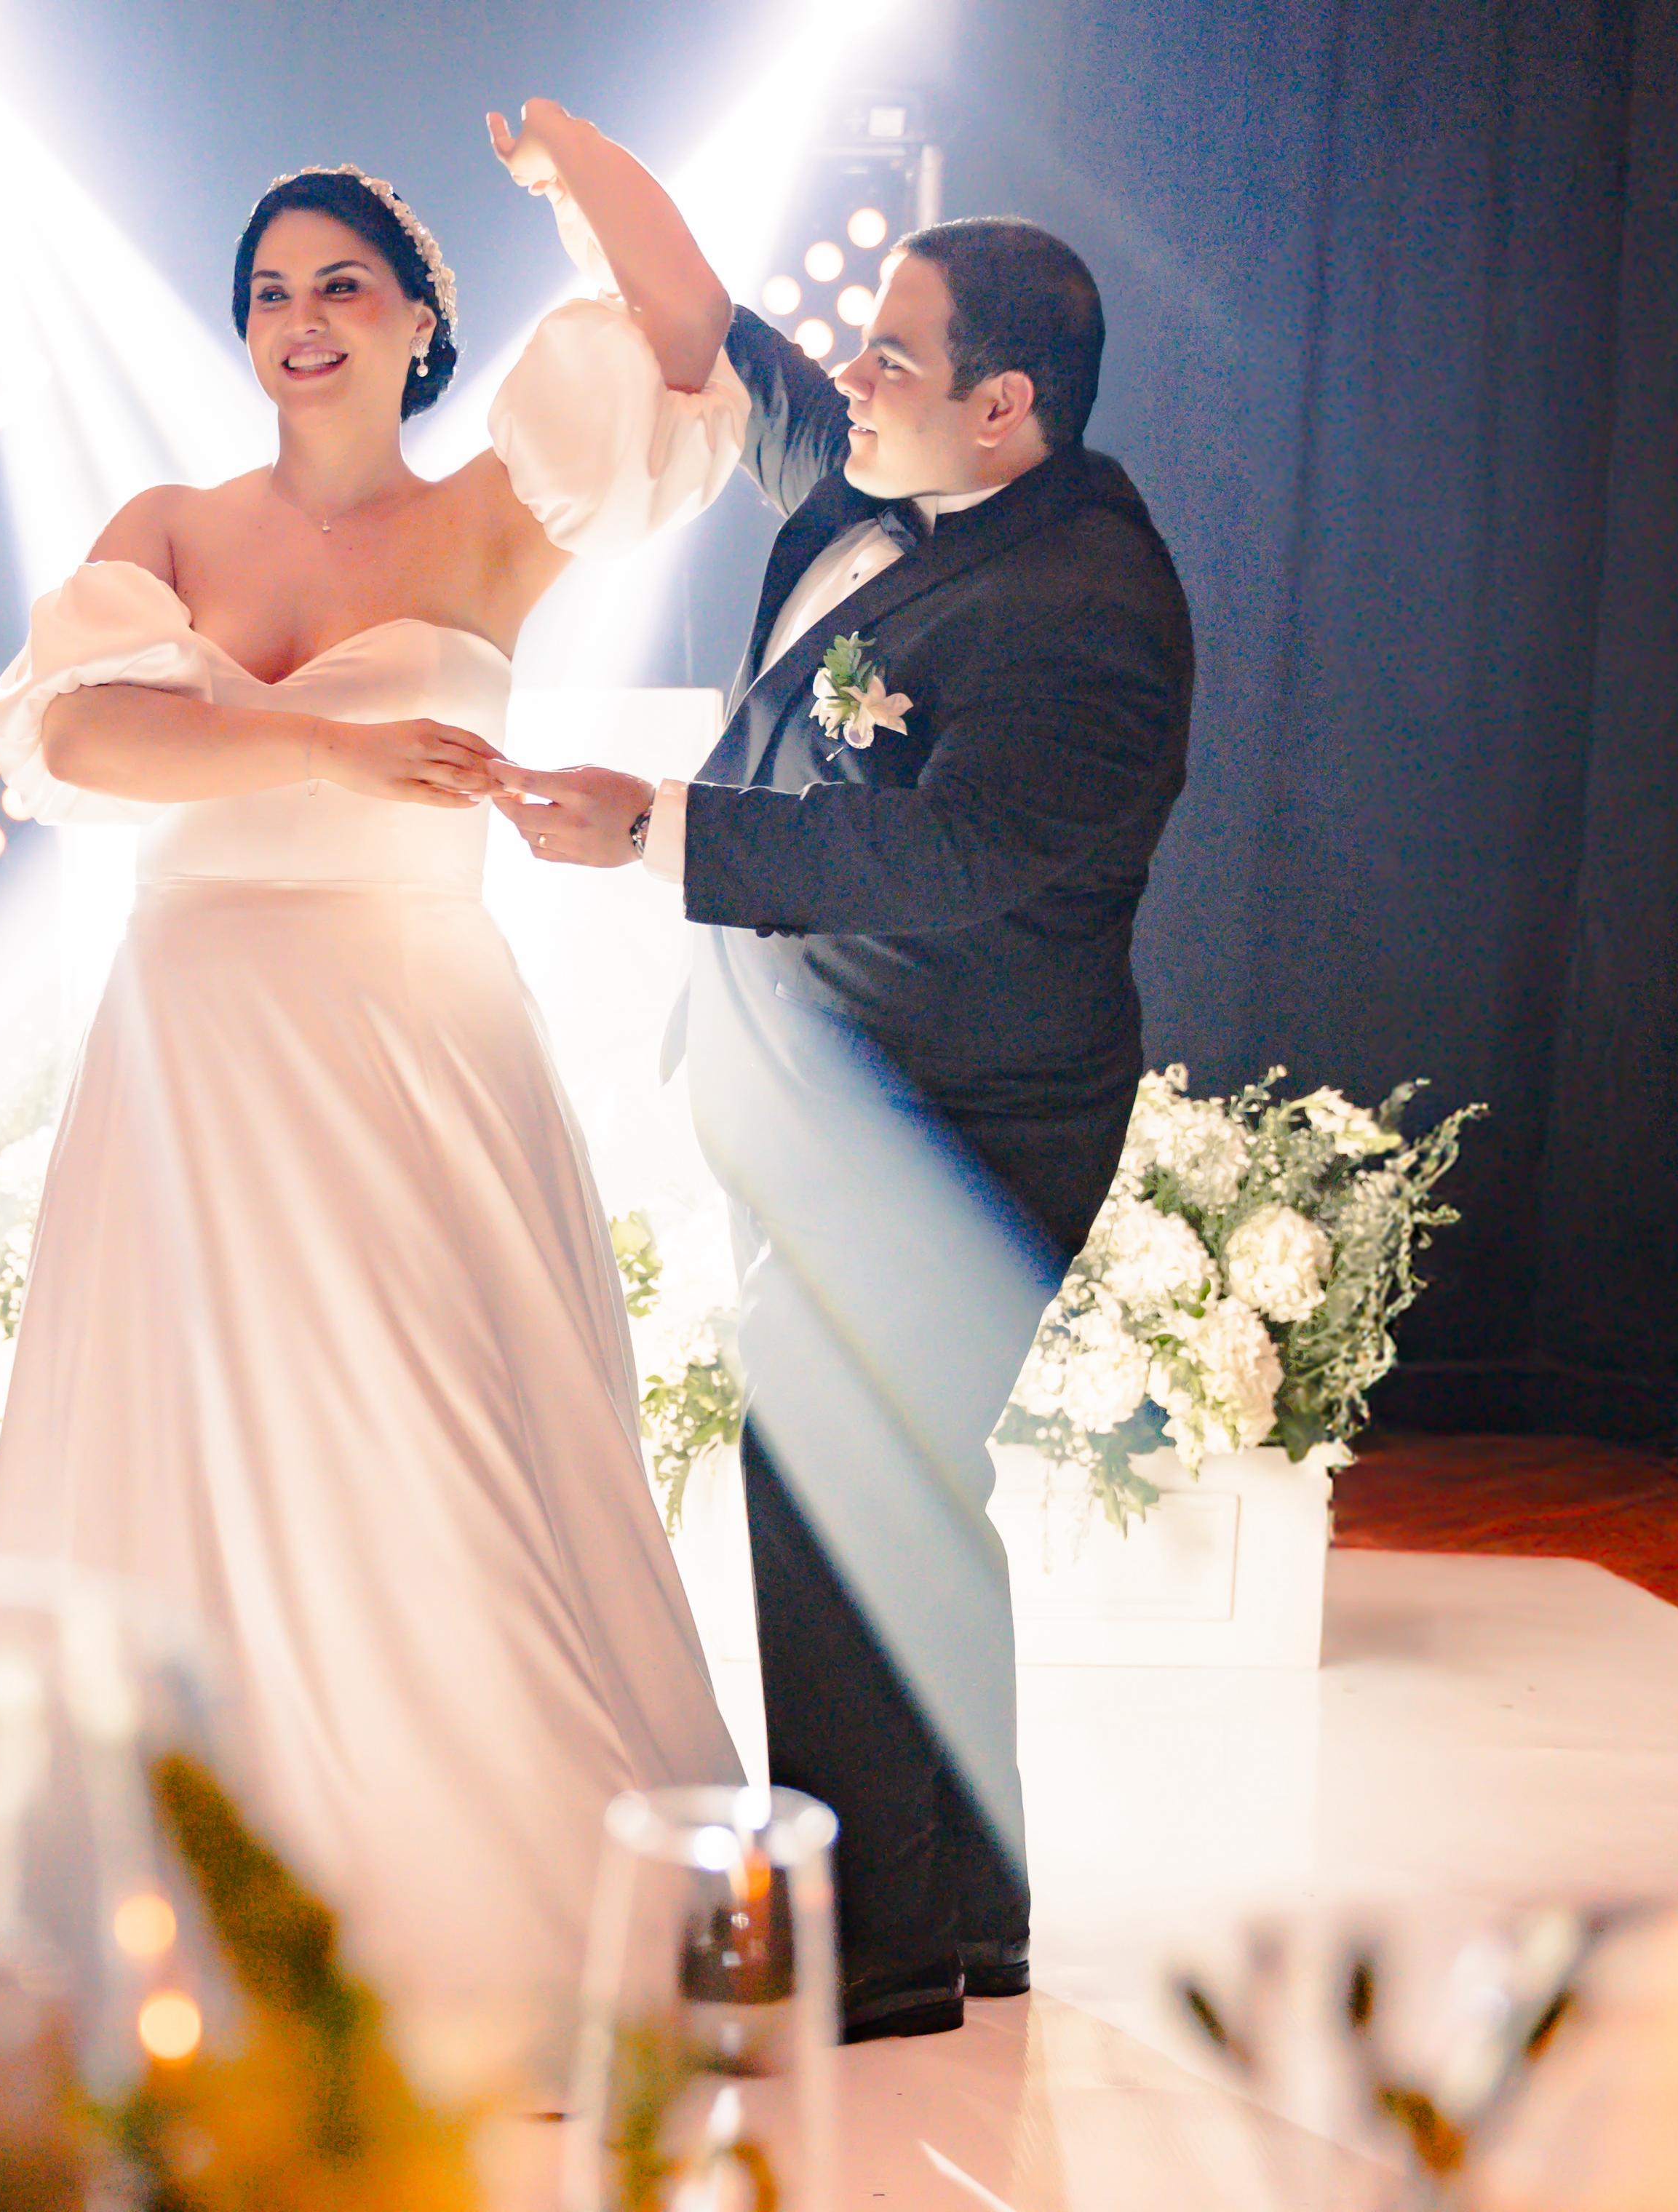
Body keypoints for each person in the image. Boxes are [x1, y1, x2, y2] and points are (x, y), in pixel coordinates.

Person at [0, 124, 752, 2069]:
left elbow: (681, 329)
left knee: (440, 1444)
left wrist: (580, 165)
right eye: (269, 292)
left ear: (421, 320)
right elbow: (75, 737)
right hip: (192, 1044)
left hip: (410, 1039)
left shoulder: (496, 515)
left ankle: (495, 1924)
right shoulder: (168, 523)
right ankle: (188, 1916)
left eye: (341, 286)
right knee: (177, 1454)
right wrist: (320, 758)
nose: (299, 323)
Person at [496, 167, 1194, 2039]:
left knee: (830, 1484)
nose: (854, 374)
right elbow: (721, 342)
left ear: (1007, 405)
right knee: (894, 1490)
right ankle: (969, 1910)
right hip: (838, 1096)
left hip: (964, 1117)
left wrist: (652, 830)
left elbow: (949, 851)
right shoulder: (907, 482)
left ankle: (869, 1956)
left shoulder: (1086, 601)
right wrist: (590, 185)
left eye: (896, 352)